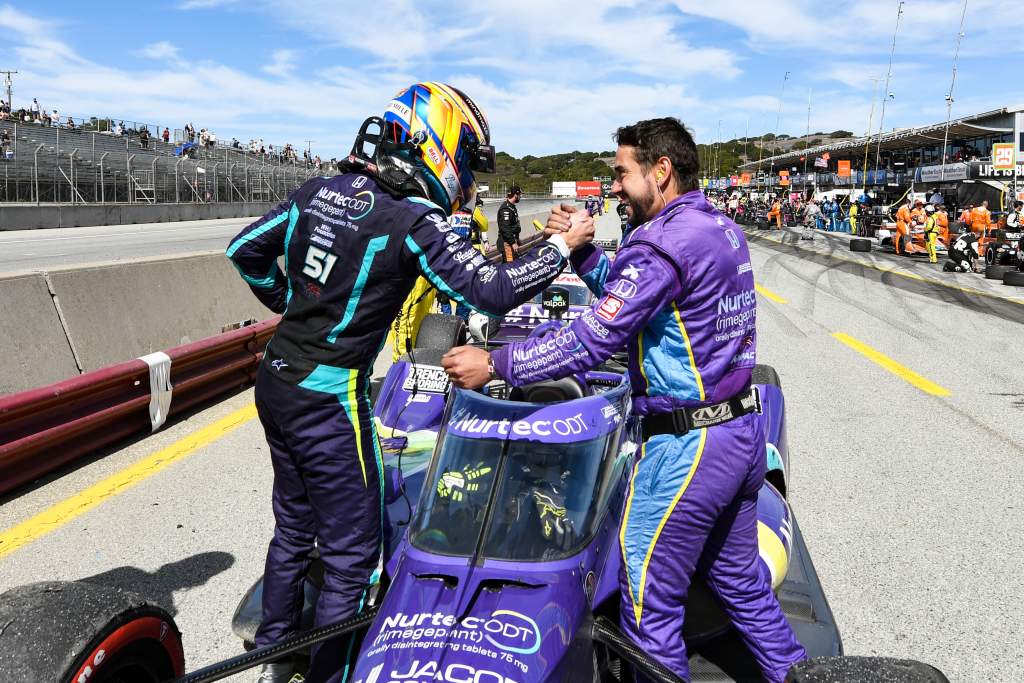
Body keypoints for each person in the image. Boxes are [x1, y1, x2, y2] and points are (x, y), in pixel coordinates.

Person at [441, 117, 807, 683]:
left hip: (689, 448)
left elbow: (593, 337)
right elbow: (639, 296)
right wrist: (584, 256)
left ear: (660, 171)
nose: (614, 187)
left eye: (622, 174)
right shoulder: (715, 225)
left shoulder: (662, 241)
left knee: (647, 607)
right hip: (740, 435)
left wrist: (496, 363)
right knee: (742, 588)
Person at [497, 185, 523, 261]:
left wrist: (517, 240)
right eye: (520, 195)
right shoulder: (506, 209)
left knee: (514, 265)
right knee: (509, 266)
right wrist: (512, 243)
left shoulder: (511, 207)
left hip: (511, 242)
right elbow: (505, 228)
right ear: (515, 195)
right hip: (507, 243)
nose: (520, 197)